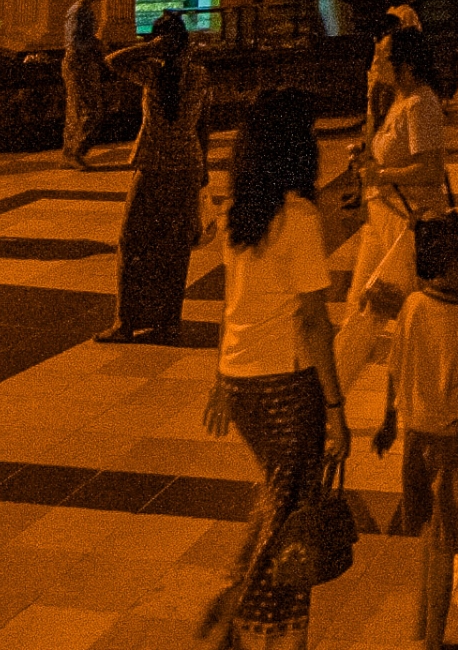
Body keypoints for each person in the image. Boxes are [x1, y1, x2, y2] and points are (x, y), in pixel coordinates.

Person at [202, 86, 348, 650]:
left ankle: (242, 609)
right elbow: (313, 323)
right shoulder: (299, 218)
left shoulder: (240, 213)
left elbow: (232, 302)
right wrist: (335, 408)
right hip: (287, 386)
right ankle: (249, 626)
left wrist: (222, 377)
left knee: (277, 498)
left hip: (243, 381)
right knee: (289, 520)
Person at [375, 214, 458, 650]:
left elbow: (395, 366)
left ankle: (420, 628)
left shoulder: (412, 306)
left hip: (415, 439)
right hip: (453, 446)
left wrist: (388, 422)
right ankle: (432, 642)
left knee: (430, 537)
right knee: (446, 549)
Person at [337, 27, 451, 382]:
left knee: (391, 308)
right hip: (382, 219)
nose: (377, 62)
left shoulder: (420, 105)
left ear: (406, 65)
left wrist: (382, 175)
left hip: (406, 226)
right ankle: (334, 393)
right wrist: (368, 157)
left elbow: (431, 170)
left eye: (384, 57)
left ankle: (427, 384)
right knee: (361, 304)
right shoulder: (396, 101)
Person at [99, 12, 209, 342]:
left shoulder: (152, 72)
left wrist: (151, 47)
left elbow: (112, 60)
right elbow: (204, 125)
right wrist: (203, 170)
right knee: (174, 248)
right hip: (187, 166)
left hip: (154, 166)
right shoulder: (198, 74)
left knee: (132, 243)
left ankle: (126, 322)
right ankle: (166, 321)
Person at [61, 0, 107, 171]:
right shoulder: (79, 11)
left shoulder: (85, 10)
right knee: (86, 109)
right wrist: (95, 45)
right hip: (79, 64)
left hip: (84, 62)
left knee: (80, 109)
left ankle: (71, 152)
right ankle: (75, 152)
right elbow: (74, 41)